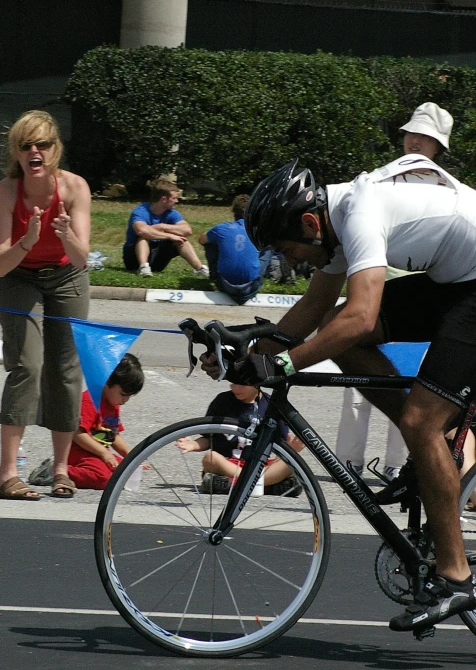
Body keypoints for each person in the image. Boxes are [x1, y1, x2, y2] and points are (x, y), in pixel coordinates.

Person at [201, 150, 476, 632]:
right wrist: (248, 360)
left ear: (310, 222)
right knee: (337, 328)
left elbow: (362, 316)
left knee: (419, 421)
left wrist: (281, 362)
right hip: (455, 281)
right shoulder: (331, 223)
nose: (293, 260)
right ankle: (432, 456)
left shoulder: (360, 213)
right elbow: (316, 307)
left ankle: (455, 579)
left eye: (289, 250)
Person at [335, 102, 454, 480]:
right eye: (411, 133)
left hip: (423, 299)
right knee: (356, 388)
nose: (415, 141)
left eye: (426, 137)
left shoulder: (447, 191)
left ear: (440, 148)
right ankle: (347, 463)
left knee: (415, 389)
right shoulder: (378, 182)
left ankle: (398, 465)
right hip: (378, 296)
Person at [0, 109, 91, 500]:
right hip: (16, 276)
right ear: (16, 153)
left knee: (66, 369)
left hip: (66, 275)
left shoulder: (74, 188)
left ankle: (61, 470)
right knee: (27, 365)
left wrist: (64, 234)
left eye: (42, 144)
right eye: (25, 145)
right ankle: (7, 474)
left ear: (55, 150)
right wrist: (27, 240)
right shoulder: (5, 193)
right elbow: (0, 263)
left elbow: (81, 259)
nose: (34, 151)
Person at [29, 354, 145, 490]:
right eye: (123, 394)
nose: (126, 400)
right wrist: (103, 452)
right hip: (80, 454)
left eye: (129, 396)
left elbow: (113, 435)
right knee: (104, 479)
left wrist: (131, 456)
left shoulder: (113, 405)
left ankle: (65, 471)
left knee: (125, 472)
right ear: (107, 381)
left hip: (95, 454)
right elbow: (77, 433)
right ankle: (55, 471)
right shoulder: (89, 401)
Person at [176, 382, 303, 496]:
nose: (236, 388)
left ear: (258, 382)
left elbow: (280, 443)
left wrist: (293, 449)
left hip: (259, 465)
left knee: (292, 464)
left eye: (242, 384)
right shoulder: (222, 401)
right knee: (210, 458)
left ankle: (232, 484)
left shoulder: (271, 405)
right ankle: (267, 486)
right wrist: (193, 444)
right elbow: (209, 438)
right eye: (232, 383)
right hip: (228, 464)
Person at [123, 176, 209, 278]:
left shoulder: (172, 213)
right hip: (133, 261)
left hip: (157, 260)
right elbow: (141, 231)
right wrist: (169, 236)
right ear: (164, 199)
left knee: (181, 240)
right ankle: (143, 267)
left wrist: (161, 226)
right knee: (144, 237)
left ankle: (200, 269)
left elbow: (187, 230)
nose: (177, 201)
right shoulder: (141, 211)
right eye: (174, 198)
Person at [197, 194, 272, 304]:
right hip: (251, 287)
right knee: (268, 246)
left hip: (224, 285)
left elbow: (201, 240)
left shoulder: (221, 228)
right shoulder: (258, 231)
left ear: (234, 212)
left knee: (210, 243)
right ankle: (267, 273)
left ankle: (214, 274)